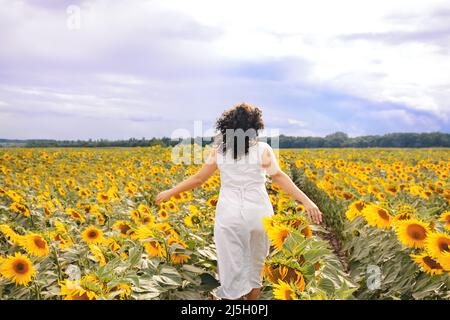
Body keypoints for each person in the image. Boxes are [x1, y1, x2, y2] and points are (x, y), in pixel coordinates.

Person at [156, 102, 323, 300]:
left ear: (227, 126)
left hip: (230, 214)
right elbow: (278, 176)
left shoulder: (218, 151)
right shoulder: (263, 149)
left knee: (231, 268)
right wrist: (307, 201)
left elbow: (199, 179)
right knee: (256, 266)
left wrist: (171, 191)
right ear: (255, 127)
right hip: (259, 213)